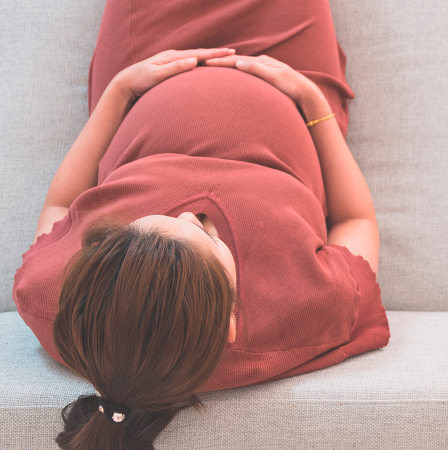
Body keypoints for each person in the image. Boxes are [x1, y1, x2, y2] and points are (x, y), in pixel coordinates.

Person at [12, 0, 390, 448]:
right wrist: (310, 99)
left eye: (153, 220)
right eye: (206, 235)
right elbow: (355, 219)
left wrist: (119, 90)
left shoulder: (66, 308)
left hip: (145, 63)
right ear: (231, 322)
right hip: (289, 68)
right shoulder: (304, 311)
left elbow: (60, 207)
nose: (190, 212)